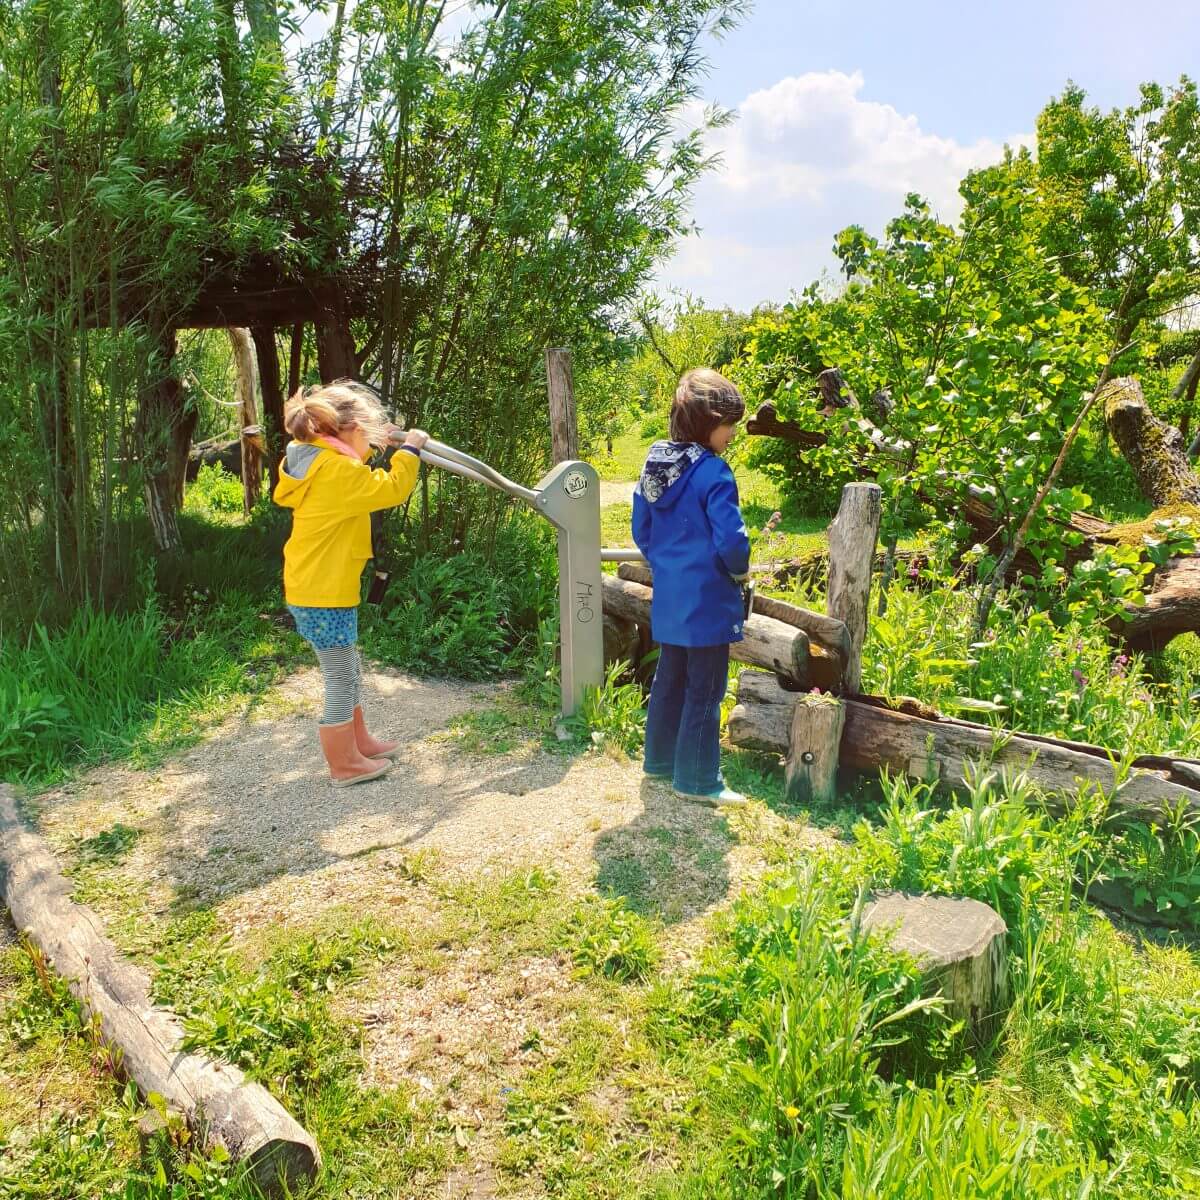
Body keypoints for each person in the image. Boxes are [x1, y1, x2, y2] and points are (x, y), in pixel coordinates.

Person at [274, 380, 428, 787]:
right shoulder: (335, 471)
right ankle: (343, 763)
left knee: (349, 667)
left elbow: (363, 479)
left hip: (320, 588)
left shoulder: (321, 464)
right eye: (370, 434)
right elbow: (392, 488)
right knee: (341, 677)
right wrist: (410, 449)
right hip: (322, 593)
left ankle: (358, 743)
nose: (374, 446)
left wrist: (396, 448)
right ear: (346, 430)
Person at [632, 368, 751, 806]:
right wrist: (739, 573)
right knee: (705, 688)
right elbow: (732, 541)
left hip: (670, 597)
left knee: (669, 679)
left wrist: (667, 563)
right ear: (707, 425)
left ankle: (660, 762)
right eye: (729, 425)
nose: (733, 433)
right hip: (707, 599)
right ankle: (698, 781)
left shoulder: (656, 465)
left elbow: (640, 530)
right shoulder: (714, 474)